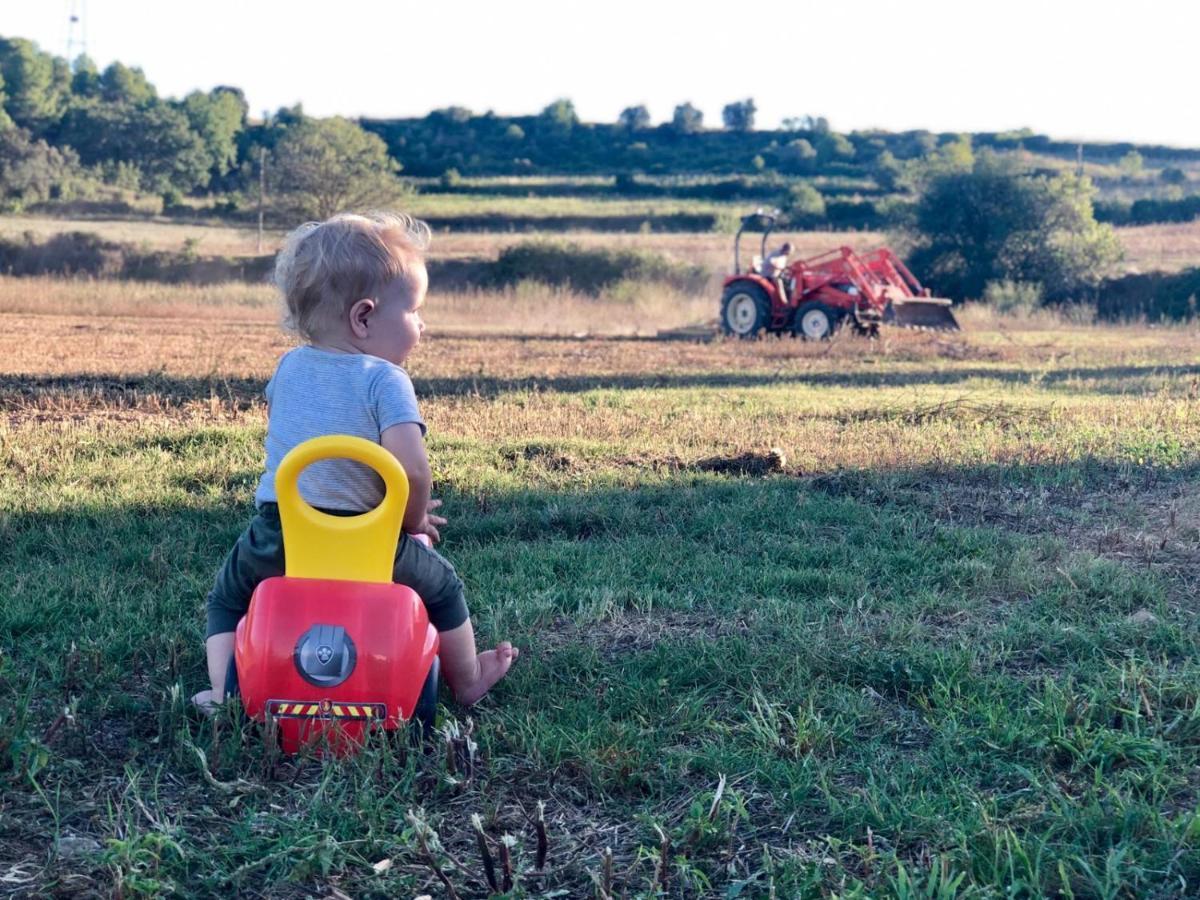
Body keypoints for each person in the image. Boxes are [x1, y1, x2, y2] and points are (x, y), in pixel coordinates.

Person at [192, 211, 518, 713]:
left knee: (227, 598)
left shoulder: (288, 367)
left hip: (281, 533)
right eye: (414, 311)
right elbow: (410, 471)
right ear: (363, 318)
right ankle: (469, 679)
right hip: (369, 540)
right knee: (443, 588)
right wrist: (414, 521)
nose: (421, 325)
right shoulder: (386, 380)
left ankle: (222, 693)